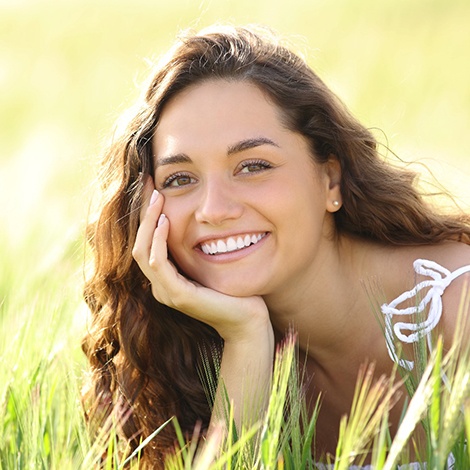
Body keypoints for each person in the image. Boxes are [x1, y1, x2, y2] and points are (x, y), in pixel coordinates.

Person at [82, 24, 470, 467]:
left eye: (252, 166)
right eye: (181, 179)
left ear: (330, 179)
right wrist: (245, 338)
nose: (214, 209)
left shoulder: (459, 311)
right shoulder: (191, 356)